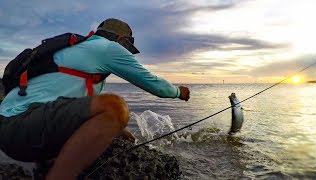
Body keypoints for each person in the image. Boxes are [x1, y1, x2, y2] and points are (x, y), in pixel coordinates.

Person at [0, 18, 190, 179]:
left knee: (108, 116)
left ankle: (44, 171)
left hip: (16, 128)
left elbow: (71, 107)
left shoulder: (81, 50)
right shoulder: (107, 48)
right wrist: (178, 91)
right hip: (19, 125)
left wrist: (114, 130)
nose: (128, 53)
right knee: (115, 107)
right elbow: (154, 84)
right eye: (128, 48)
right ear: (122, 40)